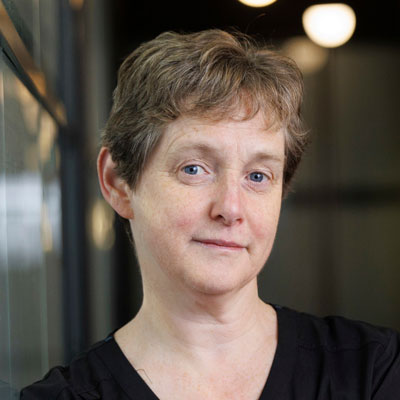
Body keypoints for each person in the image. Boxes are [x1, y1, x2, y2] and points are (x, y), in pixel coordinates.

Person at [21, 29, 400, 400]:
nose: (231, 209)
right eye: (194, 169)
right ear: (118, 182)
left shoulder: (374, 371)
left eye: (257, 176)